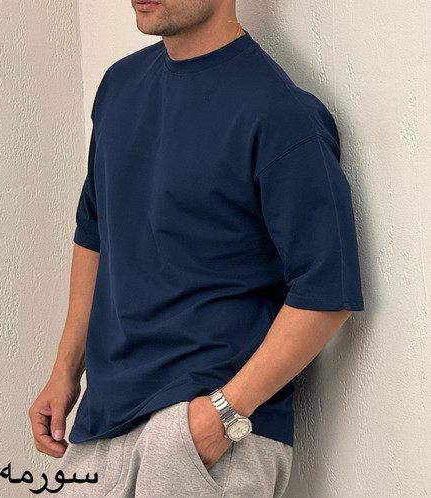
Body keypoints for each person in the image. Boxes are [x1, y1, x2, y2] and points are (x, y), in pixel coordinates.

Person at [28, 1, 364, 496]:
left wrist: (220, 417)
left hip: (204, 431)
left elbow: (327, 293)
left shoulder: (280, 114)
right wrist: (64, 371)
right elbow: (95, 233)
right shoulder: (119, 87)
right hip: (100, 424)